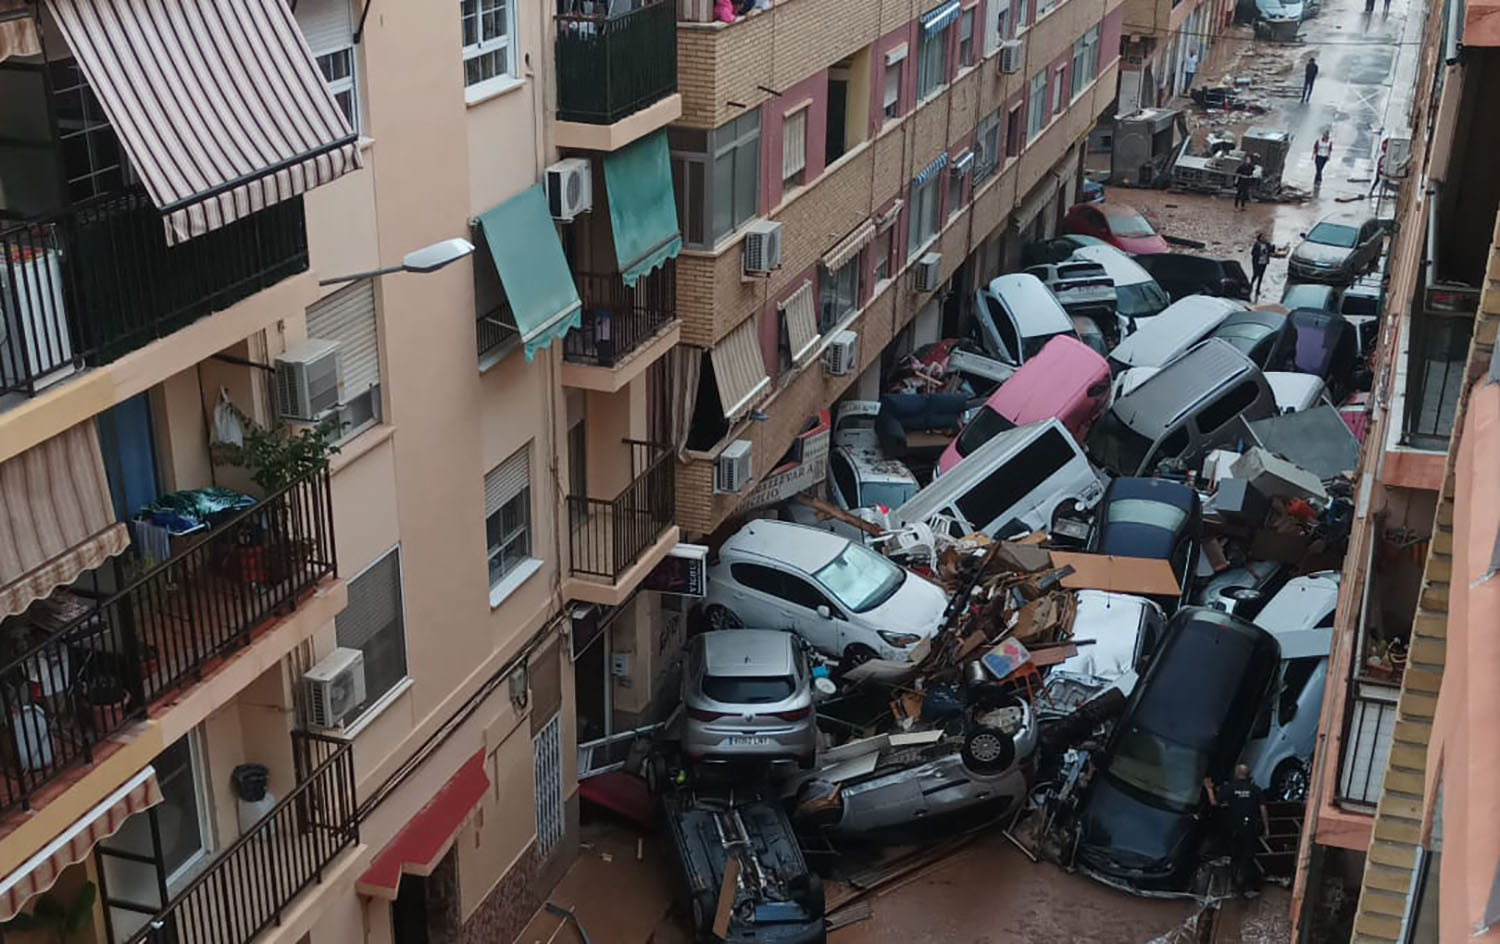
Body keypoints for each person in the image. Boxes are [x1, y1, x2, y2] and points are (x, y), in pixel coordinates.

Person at [1204, 765, 1270, 898]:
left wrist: (1209, 789)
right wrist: (1267, 828)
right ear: (1248, 775)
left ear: (1236, 773)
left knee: (1234, 856)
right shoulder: (1256, 790)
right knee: (1247, 856)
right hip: (1250, 829)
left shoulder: (1228, 788)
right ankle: (1243, 882)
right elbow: (1263, 809)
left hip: (1233, 828)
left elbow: (1214, 803)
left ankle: (1235, 884)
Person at [1250, 233, 1272, 300]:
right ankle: (1250, 286)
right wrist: (1261, 252)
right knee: (1255, 275)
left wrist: (1271, 248)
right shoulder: (1257, 245)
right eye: (1263, 237)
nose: (1264, 238)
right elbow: (1252, 253)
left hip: (1264, 262)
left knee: (1261, 276)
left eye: (1265, 237)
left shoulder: (1267, 244)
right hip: (1257, 262)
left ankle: (1258, 289)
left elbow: (1271, 251)